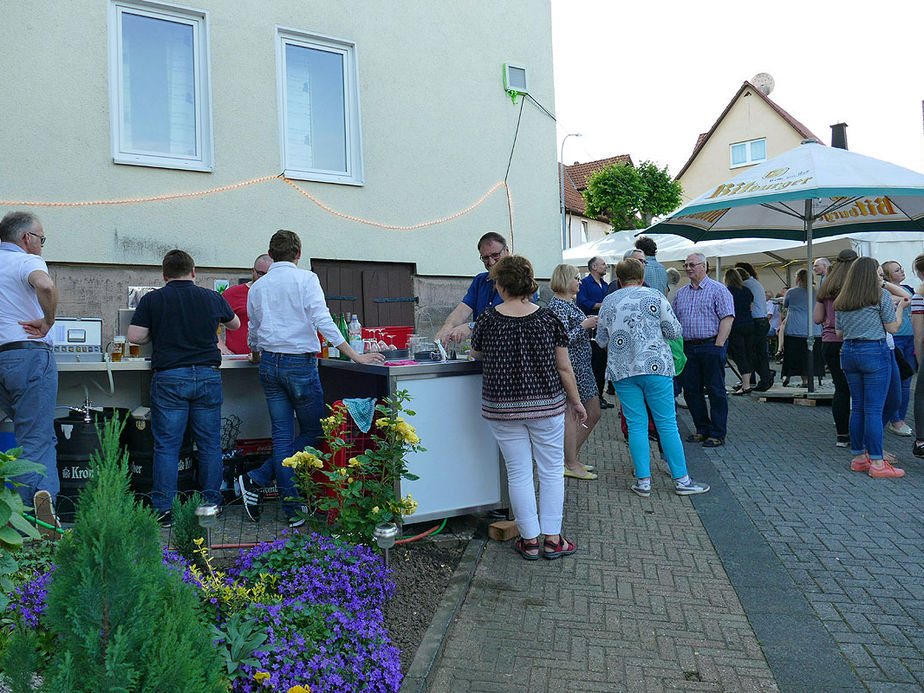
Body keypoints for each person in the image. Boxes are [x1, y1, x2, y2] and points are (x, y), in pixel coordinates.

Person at [239, 230, 385, 527]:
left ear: (272, 253)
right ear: (298, 253)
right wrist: (354, 355)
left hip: (268, 363)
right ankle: (261, 481)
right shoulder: (306, 279)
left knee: (282, 436)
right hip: (299, 365)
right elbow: (323, 321)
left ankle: (284, 502)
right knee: (317, 432)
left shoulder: (257, 287)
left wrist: (256, 353)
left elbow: (253, 328)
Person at [470, 255, 586, 561]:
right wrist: (576, 402)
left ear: (502, 285)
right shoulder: (549, 319)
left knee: (518, 472)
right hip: (546, 406)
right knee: (550, 471)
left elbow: (476, 352)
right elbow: (564, 368)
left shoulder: (487, 319)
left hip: (503, 408)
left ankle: (530, 540)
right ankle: (553, 540)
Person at [127, 250, 241, 526]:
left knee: (166, 446)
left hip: (170, 378)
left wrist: (157, 329)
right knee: (210, 445)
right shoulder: (212, 297)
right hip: (206, 377)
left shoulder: (153, 299)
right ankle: (211, 505)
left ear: (164, 275)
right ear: (193, 271)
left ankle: (164, 510)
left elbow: (134, 336)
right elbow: (235, 324)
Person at [597, 258, 709, 497]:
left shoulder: (609, 301)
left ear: (619, 279)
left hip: (623, 371)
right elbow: (675, 331)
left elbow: (601, 340)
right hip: (656, 365)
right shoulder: (656, 297)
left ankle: (644, 482)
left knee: (636, 425)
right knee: (667, 423)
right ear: (643, 277)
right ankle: (682, 480)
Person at [0, 211, 60, 533]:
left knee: (28, 436)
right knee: (35, 440)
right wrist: (48, 321)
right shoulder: (25, 261)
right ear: (26, 239)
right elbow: (45, 286)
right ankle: (33, 524)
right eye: (41, 239)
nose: (40, 245)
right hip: (28, 356)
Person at [834, 257, 907, 478]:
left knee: (857, 407)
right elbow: (892, 327)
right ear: (870, 275)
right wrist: (901, 309)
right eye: (879, 273)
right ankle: (877, 462)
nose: (880, 276)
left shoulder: (842, 299)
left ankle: (859, 458)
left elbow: (839, 333)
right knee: (874, 409)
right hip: (874, 351)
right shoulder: (881, 296)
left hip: (849, 352)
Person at [672, 253, 735, 447]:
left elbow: (727, 318)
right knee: (691, 391)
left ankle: (717, 433)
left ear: (704, 266)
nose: (688, 268)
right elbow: (674, 320)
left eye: (692, 265)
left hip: (710, 345)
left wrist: (718, 345)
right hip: (689, 348)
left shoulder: (718, 290)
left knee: (716, 390)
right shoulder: (681, 293)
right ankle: (701, 429)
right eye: (686, 265)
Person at [548, 264, 602, 480]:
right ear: (565, 280)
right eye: (576, 278)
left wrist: (584, 323)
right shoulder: (558, 306)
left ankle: (571, 457)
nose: (580, 282)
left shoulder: (566, 303)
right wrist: (584, 326)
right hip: (572, 368)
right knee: (575, 413)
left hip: (581, 367)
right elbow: (560, 341)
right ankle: (568, 461)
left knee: (592, 411)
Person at [435, 232, 510, 346]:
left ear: (507, 251)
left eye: (495, 255)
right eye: (485, 258)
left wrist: (471, 326)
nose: (491, 262)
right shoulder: (480, 280)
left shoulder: (521, 281)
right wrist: (447, 327)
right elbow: (461, 311)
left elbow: (510, 320)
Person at [814, 256, 855, 447]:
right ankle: (859, 434)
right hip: (849, 341)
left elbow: (816, 318)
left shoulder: (826, 289)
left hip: (828, 341)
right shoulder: (855, 286)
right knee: (858, 389)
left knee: (840, 388)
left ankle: (842, 435)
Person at [881, 260, 915, 437]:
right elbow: (905, 300)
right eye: (897, 270)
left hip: (909, 338)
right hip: (895, 337)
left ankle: (900, 418)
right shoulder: (884, 292)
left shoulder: (908, 287)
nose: (902, 271)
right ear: (887, 276)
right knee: (895, 381)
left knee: (907, 380)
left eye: (901, 268)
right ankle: (895, 419)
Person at [217, 254, 273, 355]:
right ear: (253, 271)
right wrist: (220, 346)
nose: (264, 278)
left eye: (269, 274)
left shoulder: (280, 295)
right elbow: (210, 321)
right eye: (261, 273)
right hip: (238, 360)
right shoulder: (232, 294)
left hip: (271, 360)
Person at [577, 256, 613, 409]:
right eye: (603, 264)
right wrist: (603, 305)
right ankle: (591, 400)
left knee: (602, 365)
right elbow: (582, 302)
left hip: (603, 330)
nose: (606, 267)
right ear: (594, 267)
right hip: (589, 332)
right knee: (592, 364)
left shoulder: (605, 285)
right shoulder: (584, 284)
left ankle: (600, 396)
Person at [735, 262, 773, 391]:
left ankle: (765, 376)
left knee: (750, 353)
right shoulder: (756, 283)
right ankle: (757, 378)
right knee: (759, 352)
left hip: (755, 321)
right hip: (763, 321)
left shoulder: (745, 285)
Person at [782, 270, 824, 388]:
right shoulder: (818, 291)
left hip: (794, 328)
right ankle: (809, 379)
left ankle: (793, 377)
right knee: (810, 355)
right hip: (814, 328)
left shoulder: (791, 292)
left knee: (794, 355)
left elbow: (786, 305)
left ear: (798, 279)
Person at [724, 268, 754, 394]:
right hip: (749, 324)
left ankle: (746, 385)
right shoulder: (747, 290)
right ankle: (747, 382)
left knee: (739, 355)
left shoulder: (727, 291)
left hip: (735, 326)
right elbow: (751, 307)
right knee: (748, 354)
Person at [909, 253, 924, 458]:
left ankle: (921, 440)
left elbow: (919, 336)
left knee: (921, 394)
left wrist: (920, 362)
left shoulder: (919, 297)